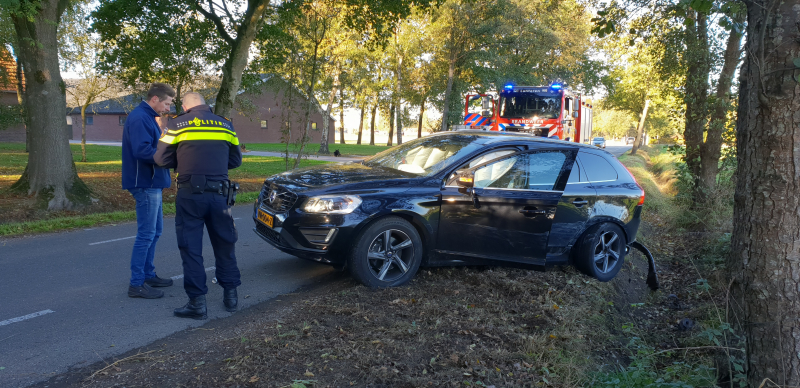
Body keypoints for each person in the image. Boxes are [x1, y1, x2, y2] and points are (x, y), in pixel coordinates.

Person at [154, 92, 243, 320]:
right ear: (205, 105)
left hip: (190, 195)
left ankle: (197, 304)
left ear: (185, 107)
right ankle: (231, 297)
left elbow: (161, 159)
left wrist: (183, 161)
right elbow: (235, 160)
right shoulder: (225, 125)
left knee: (191, 249)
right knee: (225, 244)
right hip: (220, 194)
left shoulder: (177, 124)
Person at [122, 83, 176, 299]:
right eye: (166, 103)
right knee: (146, 234)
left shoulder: (146, 117)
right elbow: (143, 150)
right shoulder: (140, 118)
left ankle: (148, 274)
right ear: (155, 99)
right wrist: (171, 155)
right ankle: (136, 284)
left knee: (155, 232)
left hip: (152, 182)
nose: (168, 108)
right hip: (145, 183)